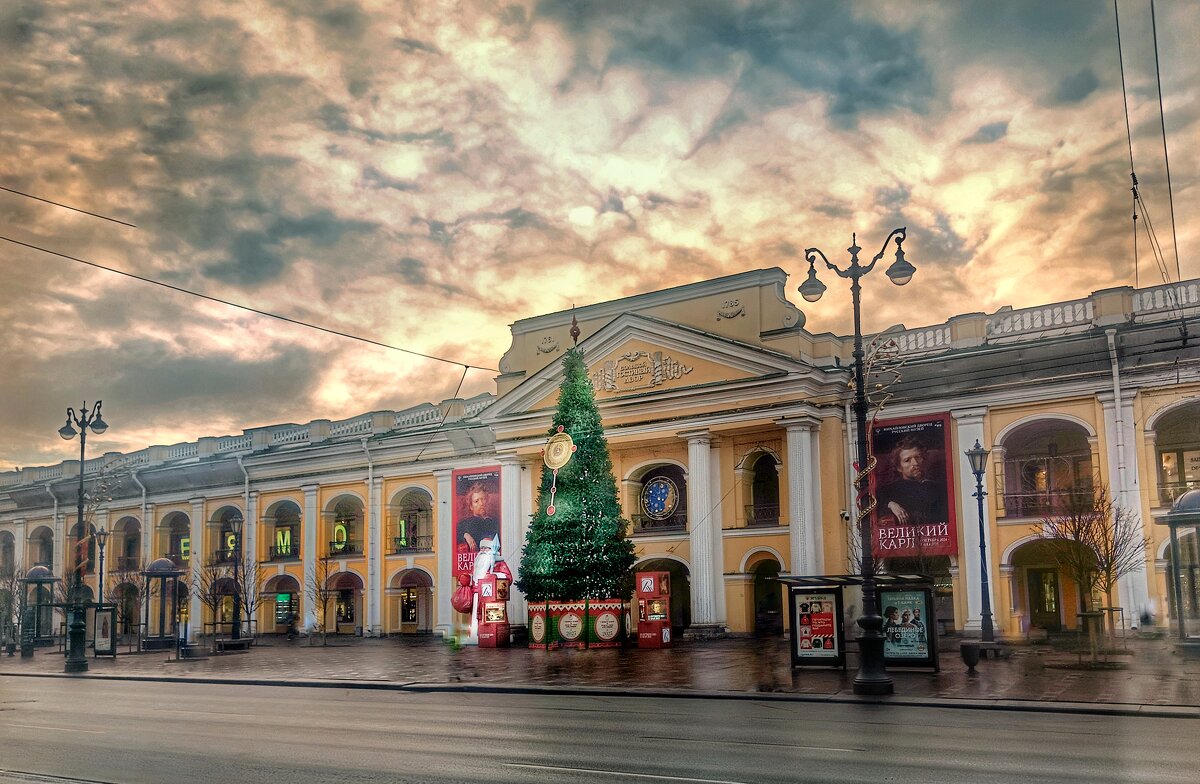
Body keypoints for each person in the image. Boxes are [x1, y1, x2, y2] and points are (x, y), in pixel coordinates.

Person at [877, 438, 948, 526]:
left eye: (918, 457)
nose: (915, 463)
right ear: (899, 467)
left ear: (924, 459)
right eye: (907, 460)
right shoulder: (888, 490)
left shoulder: (940, 488)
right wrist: (889, 504)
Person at [457, 483, 499, 552]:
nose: (481, 503)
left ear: (487, 501)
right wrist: (465, 535)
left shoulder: (495, 521)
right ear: (471, 506)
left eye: (483, 499)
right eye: (476, 501)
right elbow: (454, 534)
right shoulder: (464, 523)